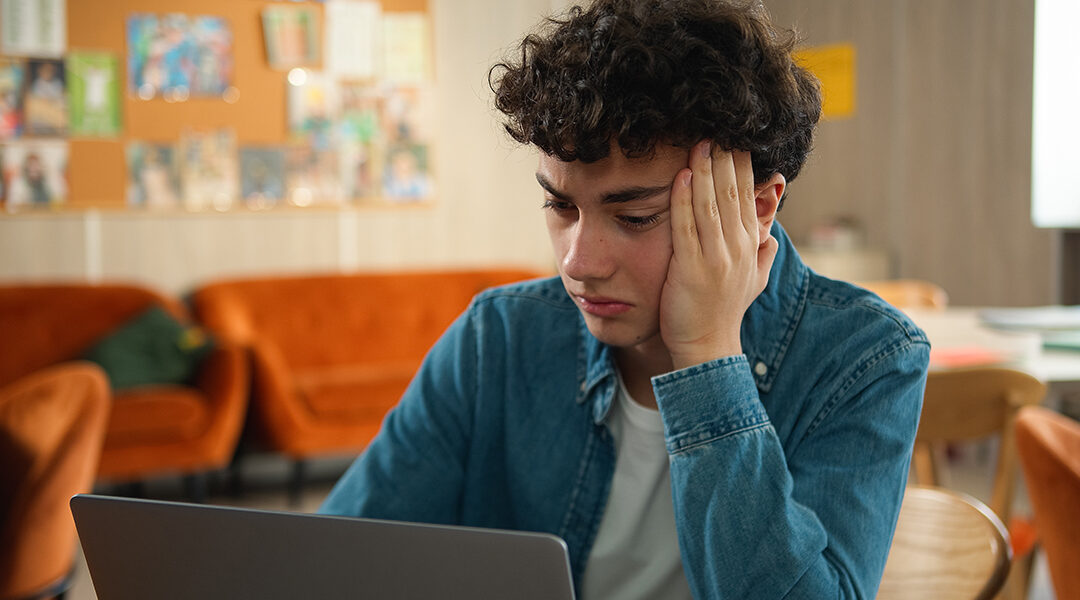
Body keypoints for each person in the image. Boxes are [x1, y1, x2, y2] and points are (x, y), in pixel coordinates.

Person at [320, 1, 930, 598]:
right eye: (561, 206)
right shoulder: (498, 338)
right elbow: (333, 562)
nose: (577, 263)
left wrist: (708, 356)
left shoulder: (866, 358)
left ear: (756, 208)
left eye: (635, 217)